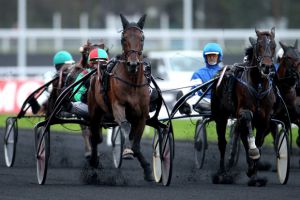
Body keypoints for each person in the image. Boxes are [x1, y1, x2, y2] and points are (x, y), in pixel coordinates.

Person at [178, 43, 223, 115]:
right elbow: (193, 91)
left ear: (219, 56)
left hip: (221, 101)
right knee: (194, 98)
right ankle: (186, 107)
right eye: (209, 55)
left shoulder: (225, 71)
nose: (211, 57)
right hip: (205, 100)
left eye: (214, 55)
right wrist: (201, 90)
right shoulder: (198, 73)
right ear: (205, 57)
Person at [68, 48, 109, 119]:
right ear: (91, 63)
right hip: (92, 108)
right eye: (95, 62)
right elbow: (76, 92)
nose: (98, 65)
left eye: (101, 62)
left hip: (108, 109)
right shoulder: (84, 74)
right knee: (75, 104)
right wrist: (82, 98)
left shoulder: (111, 73)